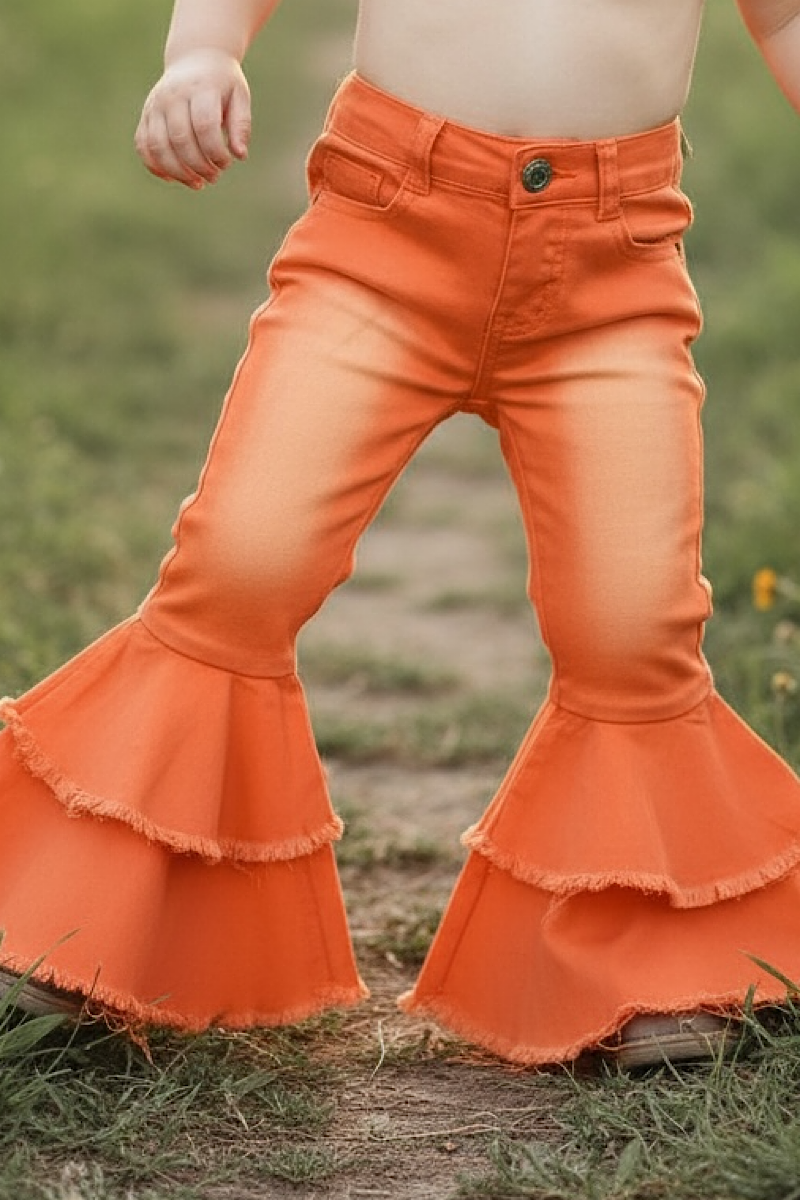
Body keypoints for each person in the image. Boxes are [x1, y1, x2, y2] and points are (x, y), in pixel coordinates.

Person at [1, 0, 800, 1069]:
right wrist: (200, 52)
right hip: (384, 237)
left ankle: (653, 964)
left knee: (630, 626)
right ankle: (85, 923)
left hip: (610, 274)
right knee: (242, 563)